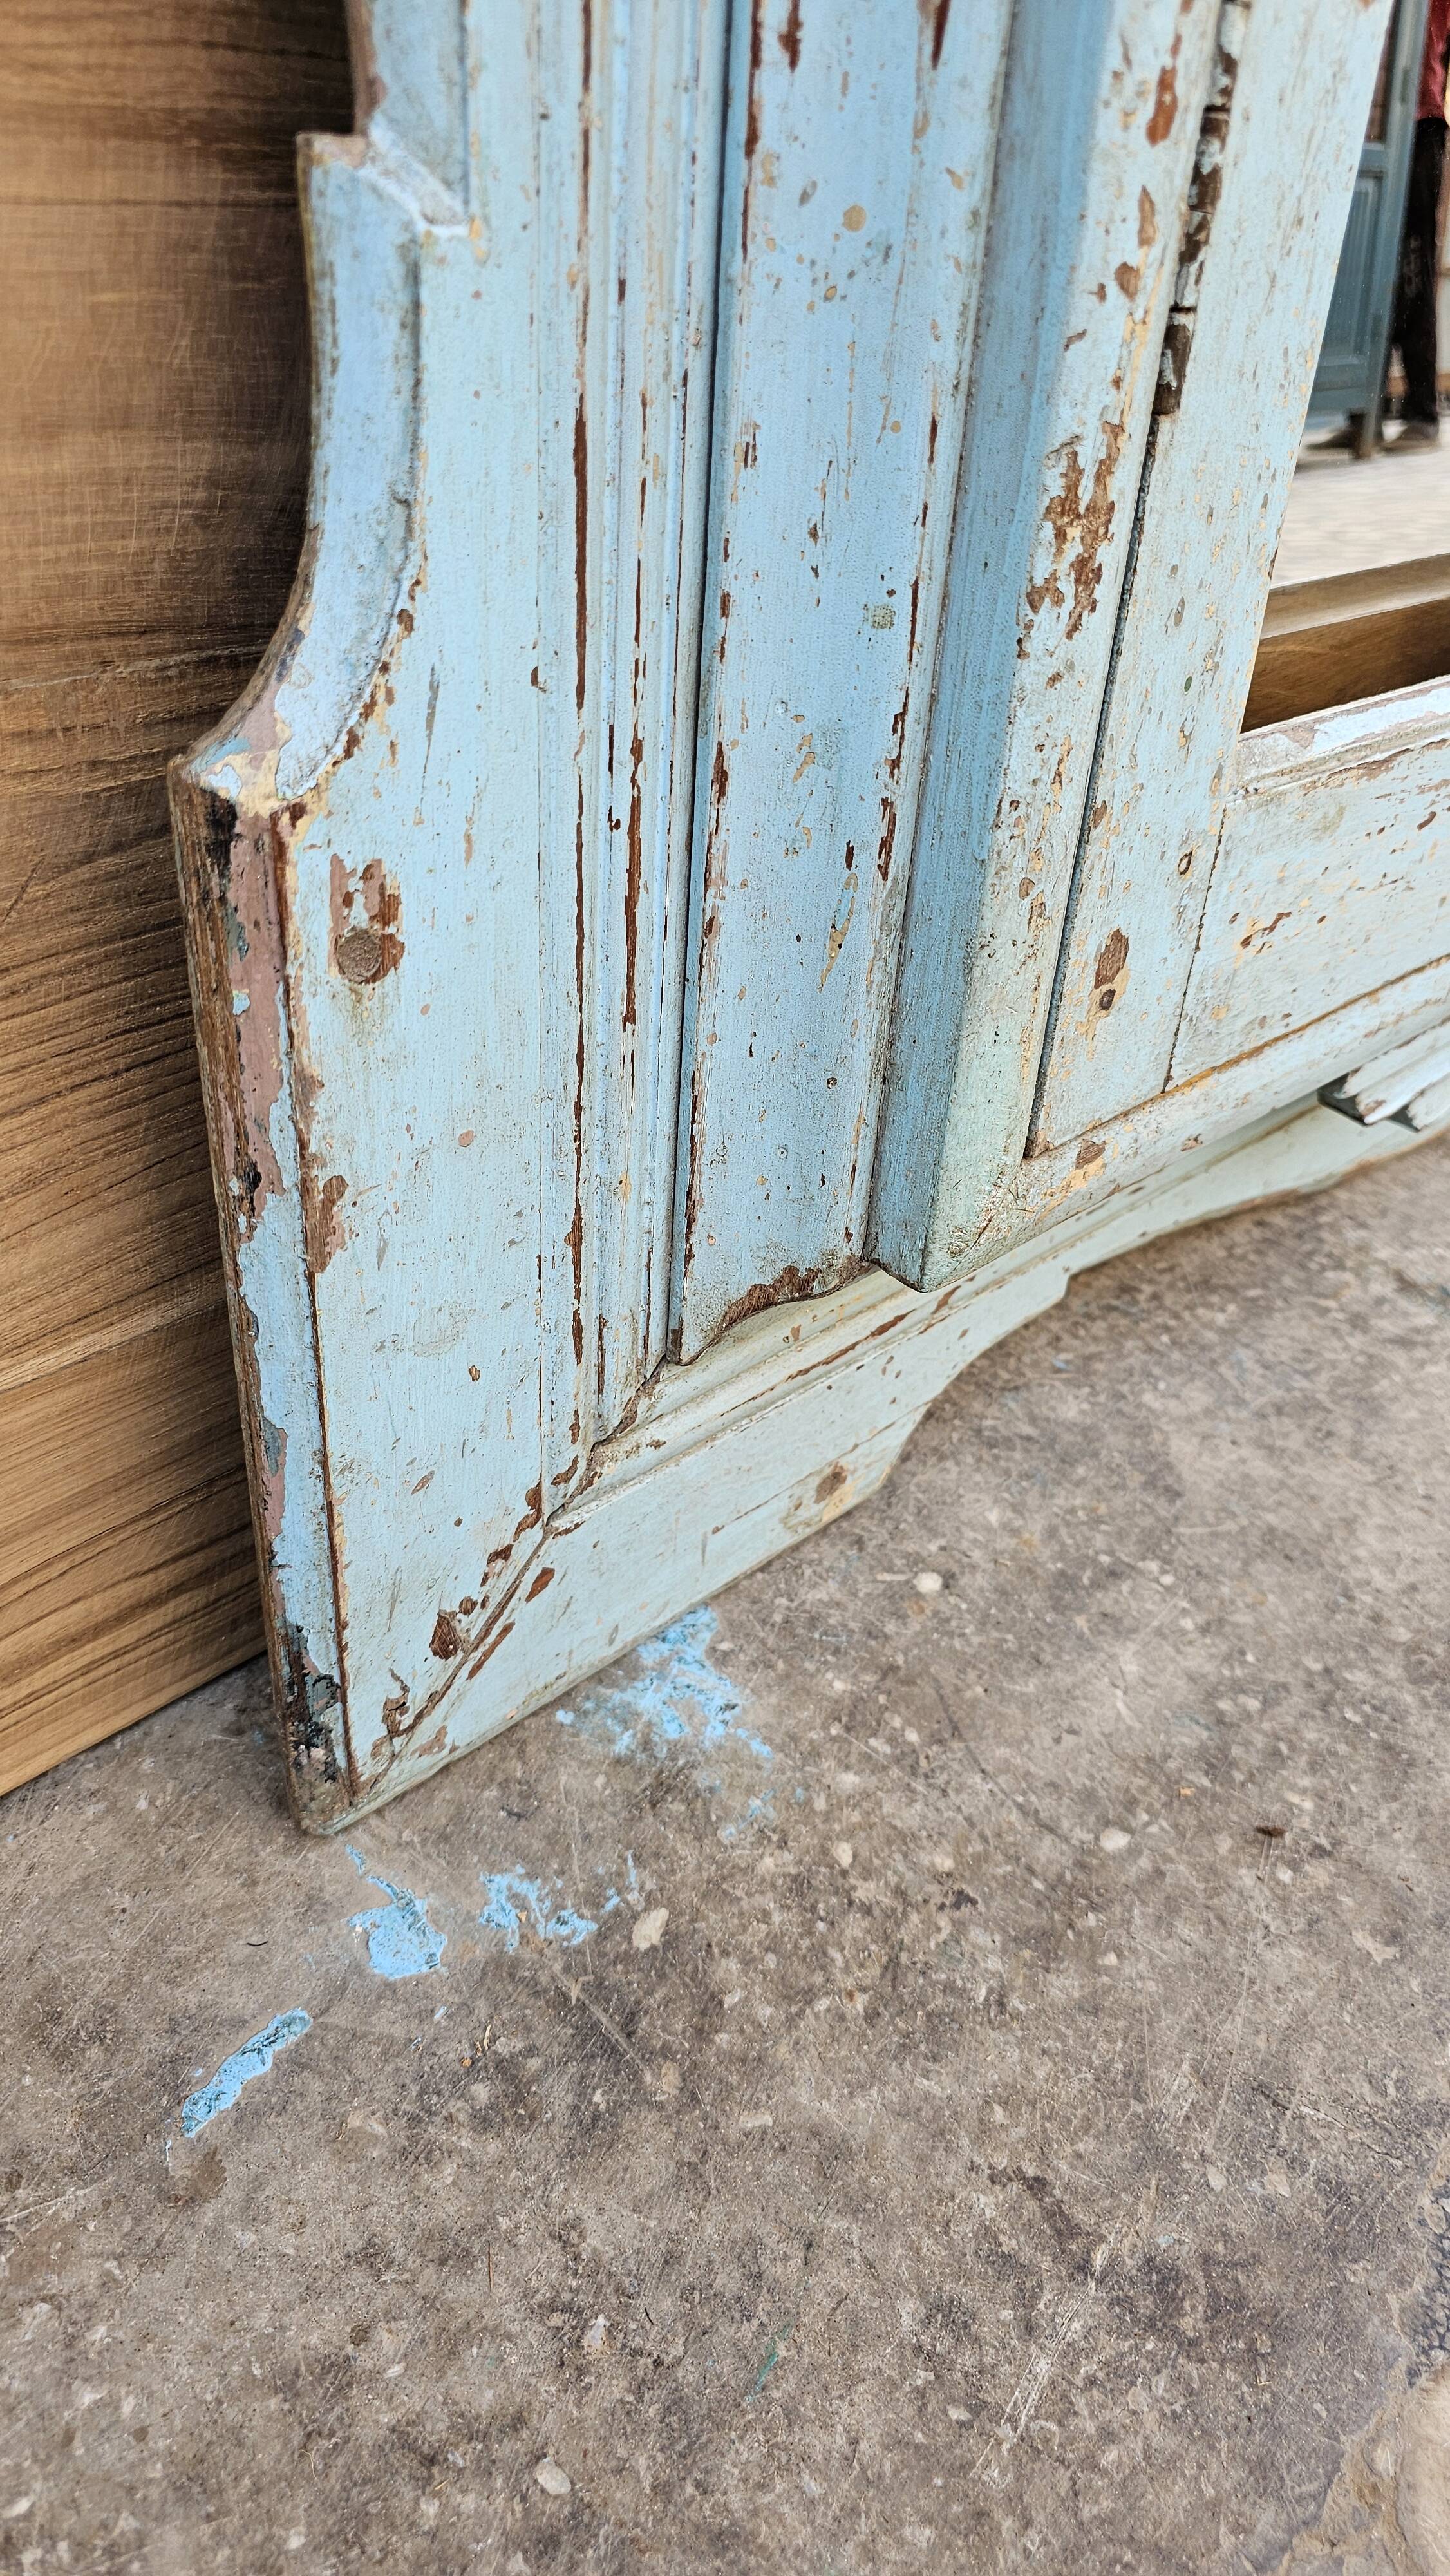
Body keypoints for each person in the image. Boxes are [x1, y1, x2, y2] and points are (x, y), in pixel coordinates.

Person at [1389, 0, 1450, 446]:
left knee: (1415, 263)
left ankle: (1422, 410)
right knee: (1367, 268)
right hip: (1373, 124)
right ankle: (1363, 411)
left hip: (1421, 127)